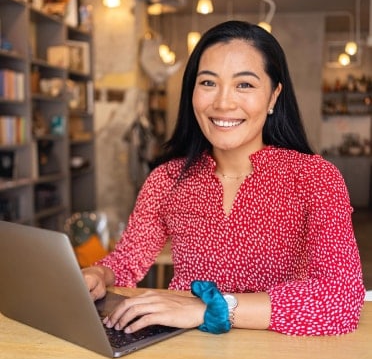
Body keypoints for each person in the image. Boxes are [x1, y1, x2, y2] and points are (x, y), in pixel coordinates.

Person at [83, 20, 365, 336]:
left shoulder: (315, 178)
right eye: (208, 83)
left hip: (278, 351)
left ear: (274, 96)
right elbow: (125, 263)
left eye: (244, 84)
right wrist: (99, 274)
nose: (223, 103)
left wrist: (211, 308)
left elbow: (341, 300)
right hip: (185, 348)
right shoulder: (167, 179)